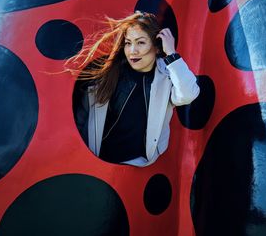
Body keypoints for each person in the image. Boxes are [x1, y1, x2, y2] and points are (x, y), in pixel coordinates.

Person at [67, 11, 200, 167]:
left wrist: (171, 53)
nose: (132, 51)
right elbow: (82, 116)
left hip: (139, 167)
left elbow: (188, 93)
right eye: (128, 43)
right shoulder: (109, 72)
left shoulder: (166, 78)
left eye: (141, 42)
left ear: (157, 47)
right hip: (97, 162)